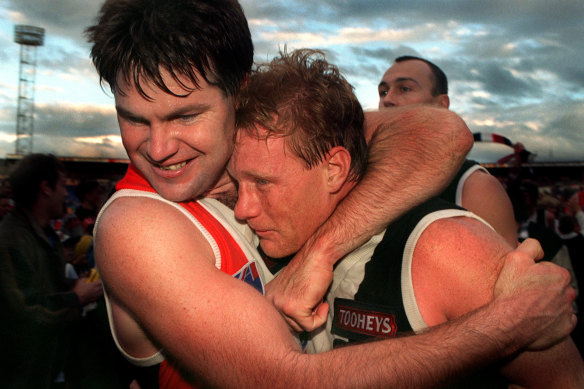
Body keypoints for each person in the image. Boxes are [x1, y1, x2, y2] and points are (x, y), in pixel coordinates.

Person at [86, 1, 576, 388]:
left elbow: (442, 132)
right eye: (133, 118)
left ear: (241, 93)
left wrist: (319, 252)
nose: (158, 148)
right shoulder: (137, 225)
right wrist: (507, 323)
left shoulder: (275, 141)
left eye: (184, 116)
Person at [230, 48, 583, 388]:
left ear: (334, 169)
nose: (242, 209)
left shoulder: (443, 247)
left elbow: (567, 380)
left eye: (263, 183)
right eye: (238, 182)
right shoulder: (282, 231)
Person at [377, 55, 518, 247]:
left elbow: (506, 275)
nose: (388, 99)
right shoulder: (358, 174)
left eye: (405, 88)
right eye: (383, 91)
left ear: (441, 105)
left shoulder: (475, 189)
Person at [0, 154, 104, 388]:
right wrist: (77, 297)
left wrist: (77, 286)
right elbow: (24, 312)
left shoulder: (44, 232)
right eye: (61, 185)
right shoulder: (10, 241)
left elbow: (47, 287)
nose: (66, 193)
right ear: (45, 188)